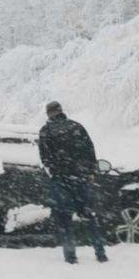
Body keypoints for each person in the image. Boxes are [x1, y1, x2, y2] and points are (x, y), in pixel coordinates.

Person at [39, 101, 108, 264]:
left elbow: (45, 157)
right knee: (88, 216)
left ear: (48, 113)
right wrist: (90, 172)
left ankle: (70, 257)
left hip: (61, 180)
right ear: (61, 111)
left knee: (65, 219)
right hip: (82, 179)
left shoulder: (46, 131)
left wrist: (55, 171)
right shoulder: (77, 127)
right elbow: (90, 150)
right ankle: (100, 253)